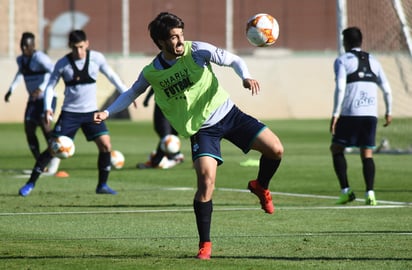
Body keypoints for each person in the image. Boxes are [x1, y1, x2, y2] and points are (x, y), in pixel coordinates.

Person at [94, 12, 284, 259]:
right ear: (161, 42)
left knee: (276, 149)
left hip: (228, 114)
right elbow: (131, 93)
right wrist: (107, 112)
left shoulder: (198, 51)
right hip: (202, 130)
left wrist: (245, 76)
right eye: (173, 37)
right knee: (206, 182)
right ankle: (205, 244)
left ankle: (261, 186)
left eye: (181, 34)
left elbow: (233, 60)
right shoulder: (152, 72)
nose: (180, 41)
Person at [18, 29, 135, 197]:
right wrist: (47, 108)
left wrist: (127, 93)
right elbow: (50, 86)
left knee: (105, 145)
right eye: (74, 48)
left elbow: (111, 76)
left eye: (81, 47)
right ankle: (30, 183)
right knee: (52, 148)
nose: (78, 51)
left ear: (87, 44)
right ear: (69, 47)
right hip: (69, 114)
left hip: (91, 113)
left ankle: (102, 185)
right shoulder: (62, 64)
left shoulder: (96, 58)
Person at [330, 26, 393, 206]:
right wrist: (389, 111)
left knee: (336, 149)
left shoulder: (342, 60)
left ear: (346, 42)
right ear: (361, 41)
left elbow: (341, 87)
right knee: (367, 152)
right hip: (370, 115)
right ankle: (370, 194)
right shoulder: (374, 60)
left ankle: (346, 191)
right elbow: (387, 90)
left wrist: (335, 114)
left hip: (350, 113)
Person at [5, 32, 67, 177]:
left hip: (46, 98)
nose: (24, 48)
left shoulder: (40, 58)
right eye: (22, 45)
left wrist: (42, 87)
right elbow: (20, 74)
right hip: (33, 100)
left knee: (45, 125)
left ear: (33, 45)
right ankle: (40, 161)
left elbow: (53, 72)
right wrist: (11, 90)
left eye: (27, 45)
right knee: (28, 128)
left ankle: (55, 154)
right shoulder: (21, 59)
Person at [137, 86, 184, 169]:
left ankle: (156, 162)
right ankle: (175, 154)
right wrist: (147, 98)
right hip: (164, 104)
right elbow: (155, 83)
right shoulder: (162, 73)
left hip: (173, 104)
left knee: (167, 134)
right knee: (162, 130)